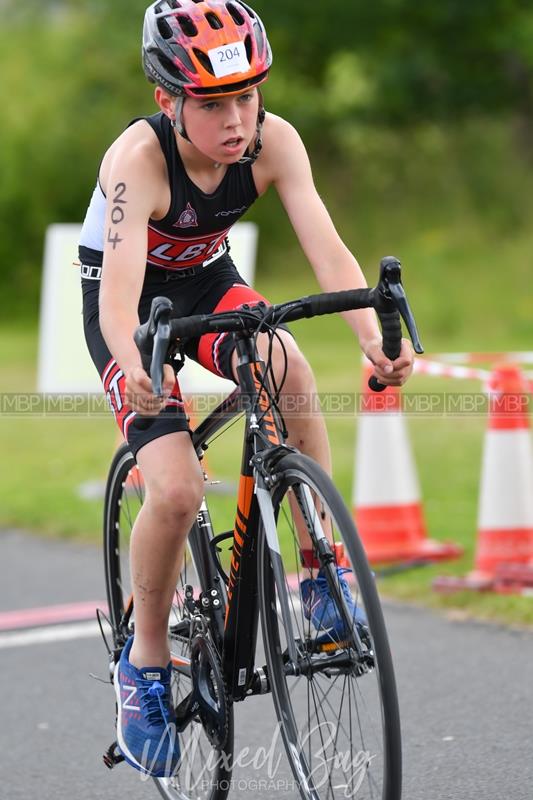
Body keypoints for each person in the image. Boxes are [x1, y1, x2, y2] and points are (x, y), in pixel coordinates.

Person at [79, 0, 414, 778]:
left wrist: (373, 341)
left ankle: (317, 573)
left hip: (205, 282)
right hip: (128, 305)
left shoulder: (275, 141)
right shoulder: (137, 158)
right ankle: (146, 667)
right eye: (213, 103)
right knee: (172, 488)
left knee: (288, 364)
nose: (235, 120)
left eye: (246, 97)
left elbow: (328, 251)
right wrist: (139, 363)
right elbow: (119, 292)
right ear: (169, 101)